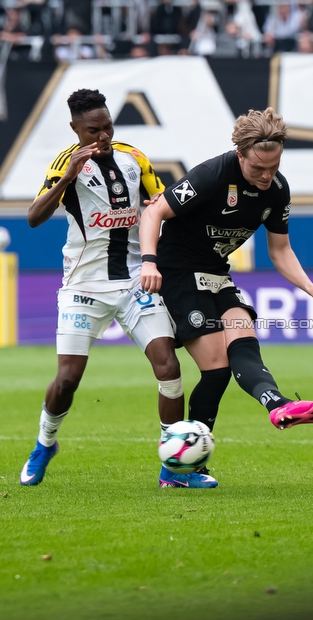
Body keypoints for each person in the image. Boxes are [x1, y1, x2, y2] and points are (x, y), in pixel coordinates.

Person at [139, 107, 313, 489]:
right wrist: (149, 262)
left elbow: (280, 250)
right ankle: (182, 472)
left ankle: (280, 406)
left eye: (273, 167)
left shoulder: (278, 190)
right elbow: (154, 215)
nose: (267, 176)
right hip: (178, 274)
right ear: (240, 156)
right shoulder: (212, 175)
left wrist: (310, 287)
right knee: (215, 367)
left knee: (243, 338)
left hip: (217, 274)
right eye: (257, 169)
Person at [19, 89, 185, 487]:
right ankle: (45, 443)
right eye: (94, 129)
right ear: (75, 128)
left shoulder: (134, 158)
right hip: (84, 286)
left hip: (133, 281)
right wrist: (68, 179)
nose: (104, 135)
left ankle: (174, 468)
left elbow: (161, 205)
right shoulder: (65, 163)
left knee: (169, 365)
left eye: (108, 126)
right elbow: (33, 217)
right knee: (67, 380)